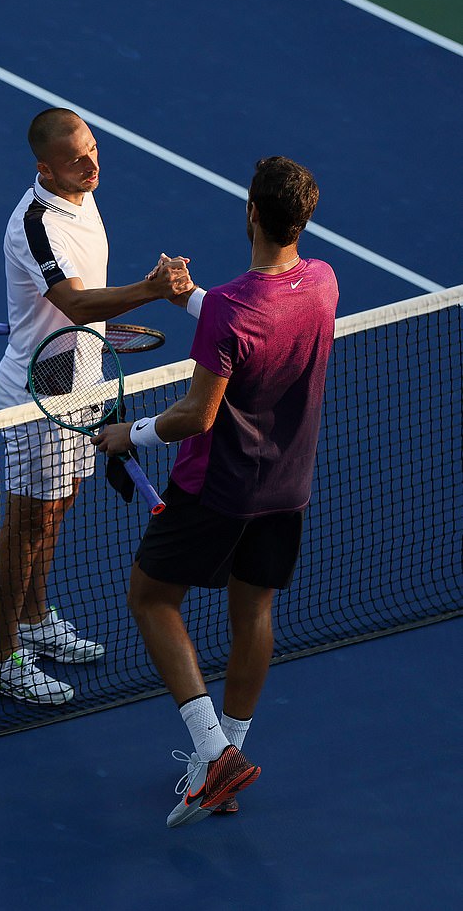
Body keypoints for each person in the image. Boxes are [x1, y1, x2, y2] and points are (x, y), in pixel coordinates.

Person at [92, 156, 339, 827]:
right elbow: (257, 324)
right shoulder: (322, 282)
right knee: (253, 612)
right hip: (288, 487)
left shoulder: (231, 312)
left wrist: (130, 434)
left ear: (252, 213)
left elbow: (196, 416)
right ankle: (227, 758)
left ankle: (210, 750)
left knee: (151, 597)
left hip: (218, 487)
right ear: (303, 218)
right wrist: (193, 298)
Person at [0, 107, 192, 706]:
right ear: (46, 167)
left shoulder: (82, 194)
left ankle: (35, 618)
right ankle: (0, 658)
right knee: (27, 522)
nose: (93, 163)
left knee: (58, 505)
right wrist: (150, 290)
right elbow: (73, 302)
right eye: (77, 158)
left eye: (94, 149)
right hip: (40, 393)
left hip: (83, 381)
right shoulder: (36, 224)